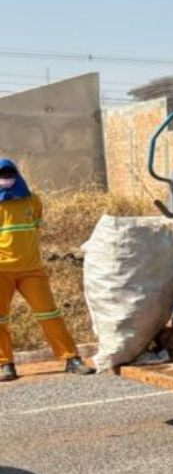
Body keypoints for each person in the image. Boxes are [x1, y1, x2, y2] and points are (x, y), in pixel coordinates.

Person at [0, 159, 95, 381]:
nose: (5, 178)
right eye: (1, 175)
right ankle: (5, 365)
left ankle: (71, 359)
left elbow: (35, 228)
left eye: (8, 173)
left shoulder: (32, 200)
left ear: (17, 174)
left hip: (32, 271)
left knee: (50, 315)